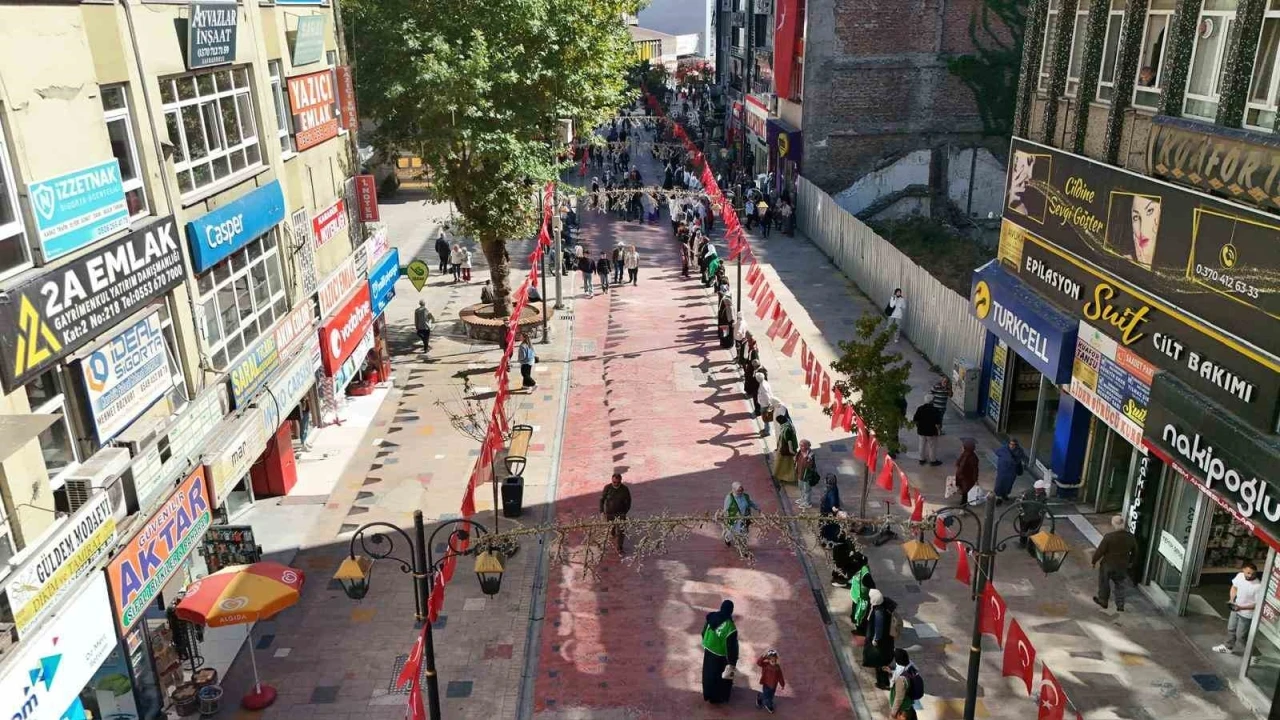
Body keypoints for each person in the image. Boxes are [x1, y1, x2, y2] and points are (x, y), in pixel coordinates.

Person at [1215, 561, 1263, 655]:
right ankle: (1227, 647)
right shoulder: (1240, 576)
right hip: (1236, 608)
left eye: (1253, 574)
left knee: (1241, 636)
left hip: (1247, 614)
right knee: (1231, 629)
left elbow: (1257, 604)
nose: (1250, 575)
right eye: (1248, 573)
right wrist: (1232, 599)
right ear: (1243, 570)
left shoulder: (1258, 586)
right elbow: (1234, 587)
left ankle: (1253, 654)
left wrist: (1241, 608)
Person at [1092, 515, 1138, 612]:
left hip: (1108, 564)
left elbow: (1100, 551)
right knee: (1120, 584)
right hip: (1122, 565)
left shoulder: (1109, 537)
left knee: (1104, 582)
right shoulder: (1130, 537)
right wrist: (1131, 562)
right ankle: (1120, 605)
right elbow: (1135, 551)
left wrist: (1094, 561)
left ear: (1113, 524)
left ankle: (1103, 600)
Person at [701, 600, 739, 704]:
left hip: (708, 650)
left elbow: (703, 632)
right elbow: (731, 647)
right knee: (720, 676)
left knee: (708, 674)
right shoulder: (730, 627)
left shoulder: (712, 616)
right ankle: (718, 697)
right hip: (721, 656)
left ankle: (708, 694)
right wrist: (732, 661)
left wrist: (708, 642)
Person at [864, 590, 898, 690]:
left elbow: (878, 628)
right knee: (884, 660)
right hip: (887, 639)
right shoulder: (885, 604)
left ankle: (883, 683)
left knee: (879, 662)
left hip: (881, 642)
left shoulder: (879, 612)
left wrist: (875, 639)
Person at [599, 472, 631, 554]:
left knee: (621, 531)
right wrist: (602, 512)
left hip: (620, 513)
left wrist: (625, 511)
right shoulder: (607, 488)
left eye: (618, 482)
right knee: (611, 528)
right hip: (609, 513)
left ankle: (619, 547)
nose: (616, 484)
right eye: (614, 482)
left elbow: (629, 501)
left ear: (621, 481)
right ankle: (613, 533)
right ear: (612, 480)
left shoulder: (625, 489)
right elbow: (602, 500)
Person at [887, 650, 923, 719]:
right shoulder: (910, 668)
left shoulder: (901, 679)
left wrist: (893, 713)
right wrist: (891, 671)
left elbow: (899, 698)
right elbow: (901, 673)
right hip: (908, 705)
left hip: (902, 710)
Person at [849, 552, 876, 641]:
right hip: (857, 597)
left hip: (862, 601)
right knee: (855, 616)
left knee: (860, 618)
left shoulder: (865, 575)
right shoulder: (857, 569)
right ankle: (859, 628)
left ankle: (861, 632)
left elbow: (872, 586)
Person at [993, 438, 1029, 503]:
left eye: (1013, 445)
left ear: (1016, 445)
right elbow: (997, 452)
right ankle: (998, 497)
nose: (1012, 446)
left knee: (1009, 484)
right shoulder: (1004, 449)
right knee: (1000, 483)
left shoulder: (1019, 451)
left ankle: (1005, 495)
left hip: (1012, 471)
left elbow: (1020, 459)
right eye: (1010, 444)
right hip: (1003, 469)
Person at [911, 395, 942, 467]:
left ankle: (922, 459)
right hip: (931, 432)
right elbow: (937, 423)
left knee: (921, 445)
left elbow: (915, 419)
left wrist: (918, 426)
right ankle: (933, 460)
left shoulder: (920, 408)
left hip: (921, 431)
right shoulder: (935, 410)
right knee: (932, 447)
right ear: (932, 401)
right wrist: (939, 430)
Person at [755, 649, 786, 714]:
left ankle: (761, 697)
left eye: (775, 660)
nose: (773, 662)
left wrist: (782, 684)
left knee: (771, 695)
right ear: (768, 660)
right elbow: (758, 663)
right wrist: (763, 656)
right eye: (772, 661)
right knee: (766, 696)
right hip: (766, 684)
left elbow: (780, 676)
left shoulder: (777, 667)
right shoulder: (765, 665)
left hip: (773, 685)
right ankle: (768, 705)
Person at [954, 438, 979, 506]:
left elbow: (975, 469)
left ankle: (963, 504)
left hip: (966, 478)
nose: (962, 448)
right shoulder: (966, 455)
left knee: (965, 491)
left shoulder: (971, 457)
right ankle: (964, 502)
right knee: (964, 490)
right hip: (963, 477)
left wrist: (975, 479)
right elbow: (958, 463)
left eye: (963, 446)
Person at [773, 413, 798, 481]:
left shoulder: (786, 429)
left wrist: (791, 450)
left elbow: (789, 440)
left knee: (786, 464)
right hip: (785, 448)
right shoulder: (788, 425)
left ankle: (786, 477)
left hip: (785, 449)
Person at [795, 440, 817, 509]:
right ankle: (803, 499)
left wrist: (806, 458)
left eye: (802, 446)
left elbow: (809, 465)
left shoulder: (810, 455)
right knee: (801, 488)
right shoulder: (800, 452)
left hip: (807, 476)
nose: (800, 447)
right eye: (800, 445)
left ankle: (807, 503)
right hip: (800, 474)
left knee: (807, 490)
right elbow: (796, 459)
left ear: (807, 446)